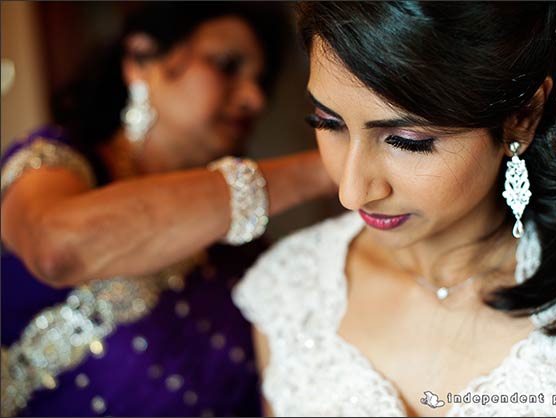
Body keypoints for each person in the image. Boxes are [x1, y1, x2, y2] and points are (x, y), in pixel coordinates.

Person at [233, 2, 556, 416]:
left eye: (407, 140)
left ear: (522, 118)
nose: (352, 193)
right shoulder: (289, 291)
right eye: (328, 123)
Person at [1, 2, 335, 416]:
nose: (253, 98)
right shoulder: (57, 162)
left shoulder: (247, 257)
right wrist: (331, 166)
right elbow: (59, 248)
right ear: (142, 58)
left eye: (260, 81)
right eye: (228, 65)